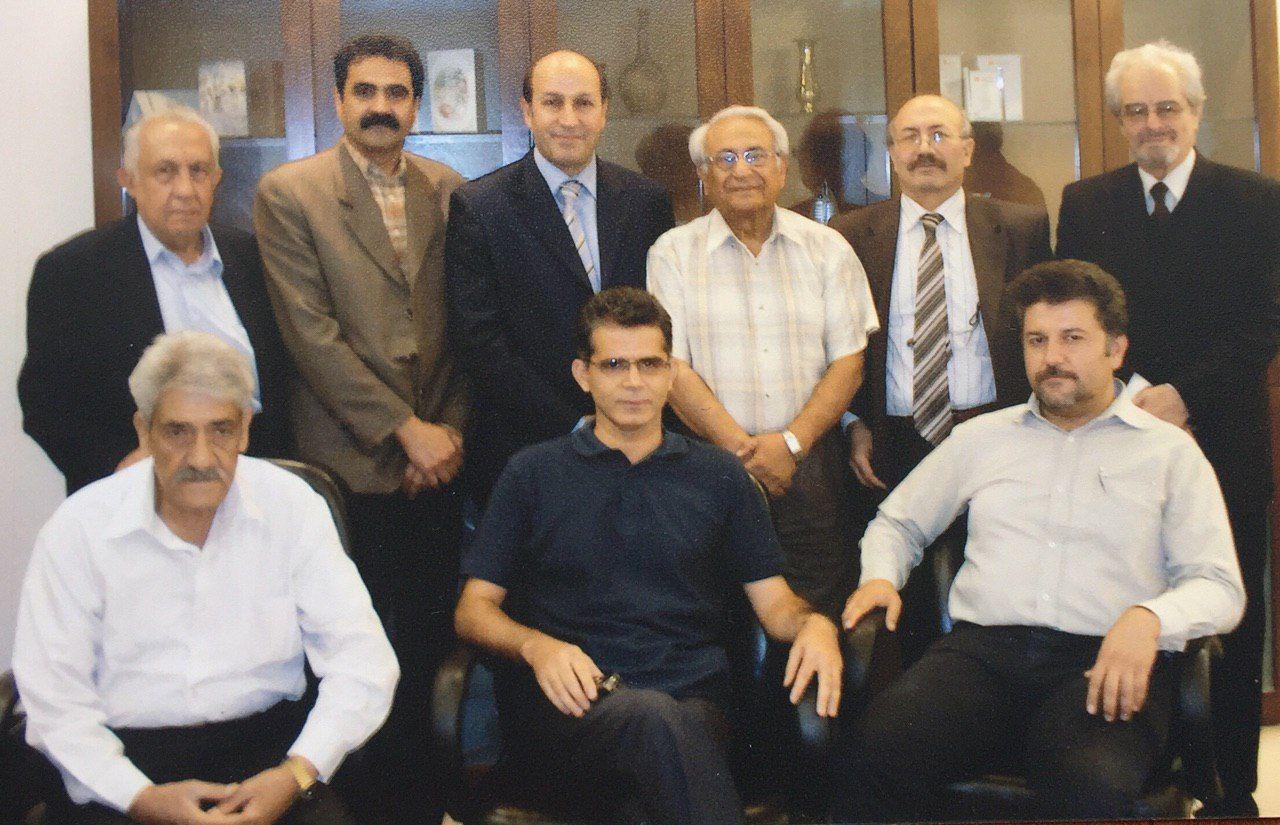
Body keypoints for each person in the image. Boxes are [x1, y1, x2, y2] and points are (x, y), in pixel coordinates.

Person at [832, 259, 1244, 821]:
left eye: (1073, 338)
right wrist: (881, 577)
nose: (1052, 357)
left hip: (1102, 661)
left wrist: (1149, 618)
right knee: (877, 750)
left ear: (1116, 350)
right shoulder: (982, 439)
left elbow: (1220, 586)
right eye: (1037, 340)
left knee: (1088, 784)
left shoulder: (1169, 453)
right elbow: (898, 522)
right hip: (980, 659)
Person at [455, 287, 843, 824]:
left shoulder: (719, 477)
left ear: (671, 373)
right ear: (582, 375)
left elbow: (776, 604)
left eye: (650, 364)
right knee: (655, 730)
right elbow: (472, 610)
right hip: (571, 709)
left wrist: (814, 624)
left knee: (662, 746)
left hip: (695, 705)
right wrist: (536, 647)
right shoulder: (532, 473)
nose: (634, 382)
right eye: (614, 365)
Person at [13, 331, 397, 825]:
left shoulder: (294, 508)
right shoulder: (79, 528)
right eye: (177, 432)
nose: (200, 458)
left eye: (220, 430)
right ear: (144, 431)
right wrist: (140, 798)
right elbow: (53, 699)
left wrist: (298, 773)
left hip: (268, 766)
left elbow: (363, 663)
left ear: (245, 431)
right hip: (120, 773)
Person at [1056, 40, 1280, 816]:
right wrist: (1133, 392)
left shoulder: (1256, 199)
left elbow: (1267, 321)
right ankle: (1151, 773)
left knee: (1230, 609)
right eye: (1137, 111)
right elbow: (1078, 317)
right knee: (1132, 598)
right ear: (1119, 120)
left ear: (1196, 110)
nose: (1153, 124)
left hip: (1224, 439)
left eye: (1167, 108)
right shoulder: (1086, 202)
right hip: (1119, 433)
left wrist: (1185, 395)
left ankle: (1230, 786)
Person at [252, 33, 465, 824]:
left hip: (441, 465)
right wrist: (404, 429)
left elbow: (467, 327)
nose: (381, 106)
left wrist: (446, 432)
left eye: (397, 92)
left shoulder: (449, 189)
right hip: (348, 470)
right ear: (338, 99)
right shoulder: (291, 192)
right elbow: (310, 336)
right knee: (349, 656)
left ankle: (425, 808)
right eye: (365, 91)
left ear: (416, 104)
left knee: (428, 648)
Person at [832, 94, 1050, 660]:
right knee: (903, 607)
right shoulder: (851, 234)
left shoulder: (1019, 227)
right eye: (909, 137)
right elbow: (838, 340)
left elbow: (1044, 331)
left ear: (968, 150)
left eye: (939, 135)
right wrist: (853, 422)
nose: (924, 149)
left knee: (996, 591)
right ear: (891, 153)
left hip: (993, 434)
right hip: (891, 442)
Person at [648, 104, 878, 616]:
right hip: (711, 464)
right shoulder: (672, 253)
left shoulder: (828, 248)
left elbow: (849, 362)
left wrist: (790, 444)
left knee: (814, 616)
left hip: (811, 466)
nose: (742, 170)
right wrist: (743, 451)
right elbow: (672, 369)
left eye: (755, 155)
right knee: (714, 616)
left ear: (781, 166)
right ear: (704, 174)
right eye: (725, 158)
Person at [18, 106, 292, 496]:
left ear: (216, 179)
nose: (185, 189)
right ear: (129, 181)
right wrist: (117, 469)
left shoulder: (252, 259)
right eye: (165, 171)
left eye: (198, 171)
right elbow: (45, 404)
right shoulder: (73, 273)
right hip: (139, 490)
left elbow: (285, 384)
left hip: (254, 482)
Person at [445, 49, 674, 504]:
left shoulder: (646, 201)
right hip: (528, 449)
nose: (569, 119)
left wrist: (625, 415)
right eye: (552, 102)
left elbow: (664, 322)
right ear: (528, 111)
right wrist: (577, 424)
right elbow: (479, 341)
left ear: (604, 112)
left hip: (639, 440)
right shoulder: (480, 206)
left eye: (584, 103)